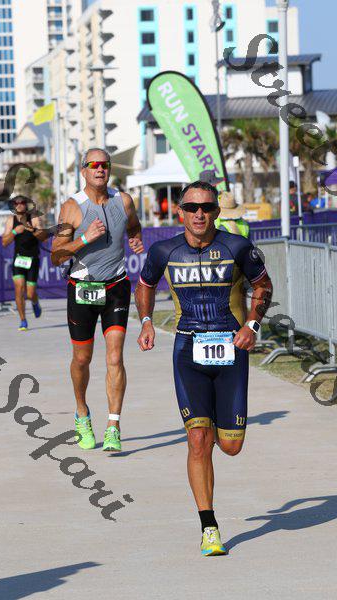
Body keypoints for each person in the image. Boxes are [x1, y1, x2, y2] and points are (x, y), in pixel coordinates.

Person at [135, 181, 273, 556]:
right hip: (187, 349)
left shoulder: (237, 247)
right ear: (180, 211)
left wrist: (252, 326)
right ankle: (209, 527)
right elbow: (144, 285)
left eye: (207, 208)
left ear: (216, 212)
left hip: (231, 349)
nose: (200, 214)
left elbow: (264, 286)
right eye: (192, 207)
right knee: (198, 439)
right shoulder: (164, 250)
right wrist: (146, 321)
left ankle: (212, 428)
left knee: (230, 445)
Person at [51, 148, 144, 452]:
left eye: (104, 164)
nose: (100, 169)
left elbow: (133, 225)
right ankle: (82, 412)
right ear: (84, 171)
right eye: (93, 165)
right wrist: (84, 238)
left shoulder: (124, 200)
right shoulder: (72, 207)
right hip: (82, 288)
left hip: (116, 286)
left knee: (115, 357)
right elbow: (56, 255)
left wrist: (135, 237)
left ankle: (113, 425)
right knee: (82, 359)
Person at [1, 194, 49, 331]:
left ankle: (35, 301)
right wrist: (15, 232)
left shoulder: (33, 218)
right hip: (19, 259)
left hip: (33, 259)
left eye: (22, 202)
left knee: (30, 293)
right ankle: (23, 320)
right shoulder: (11, 220)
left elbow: (45, 238)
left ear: (26, 204)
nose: (19, 205)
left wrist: (33, 230)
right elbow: (4, 242)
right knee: (19, 289)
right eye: (16, 203)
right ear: (13, 205)